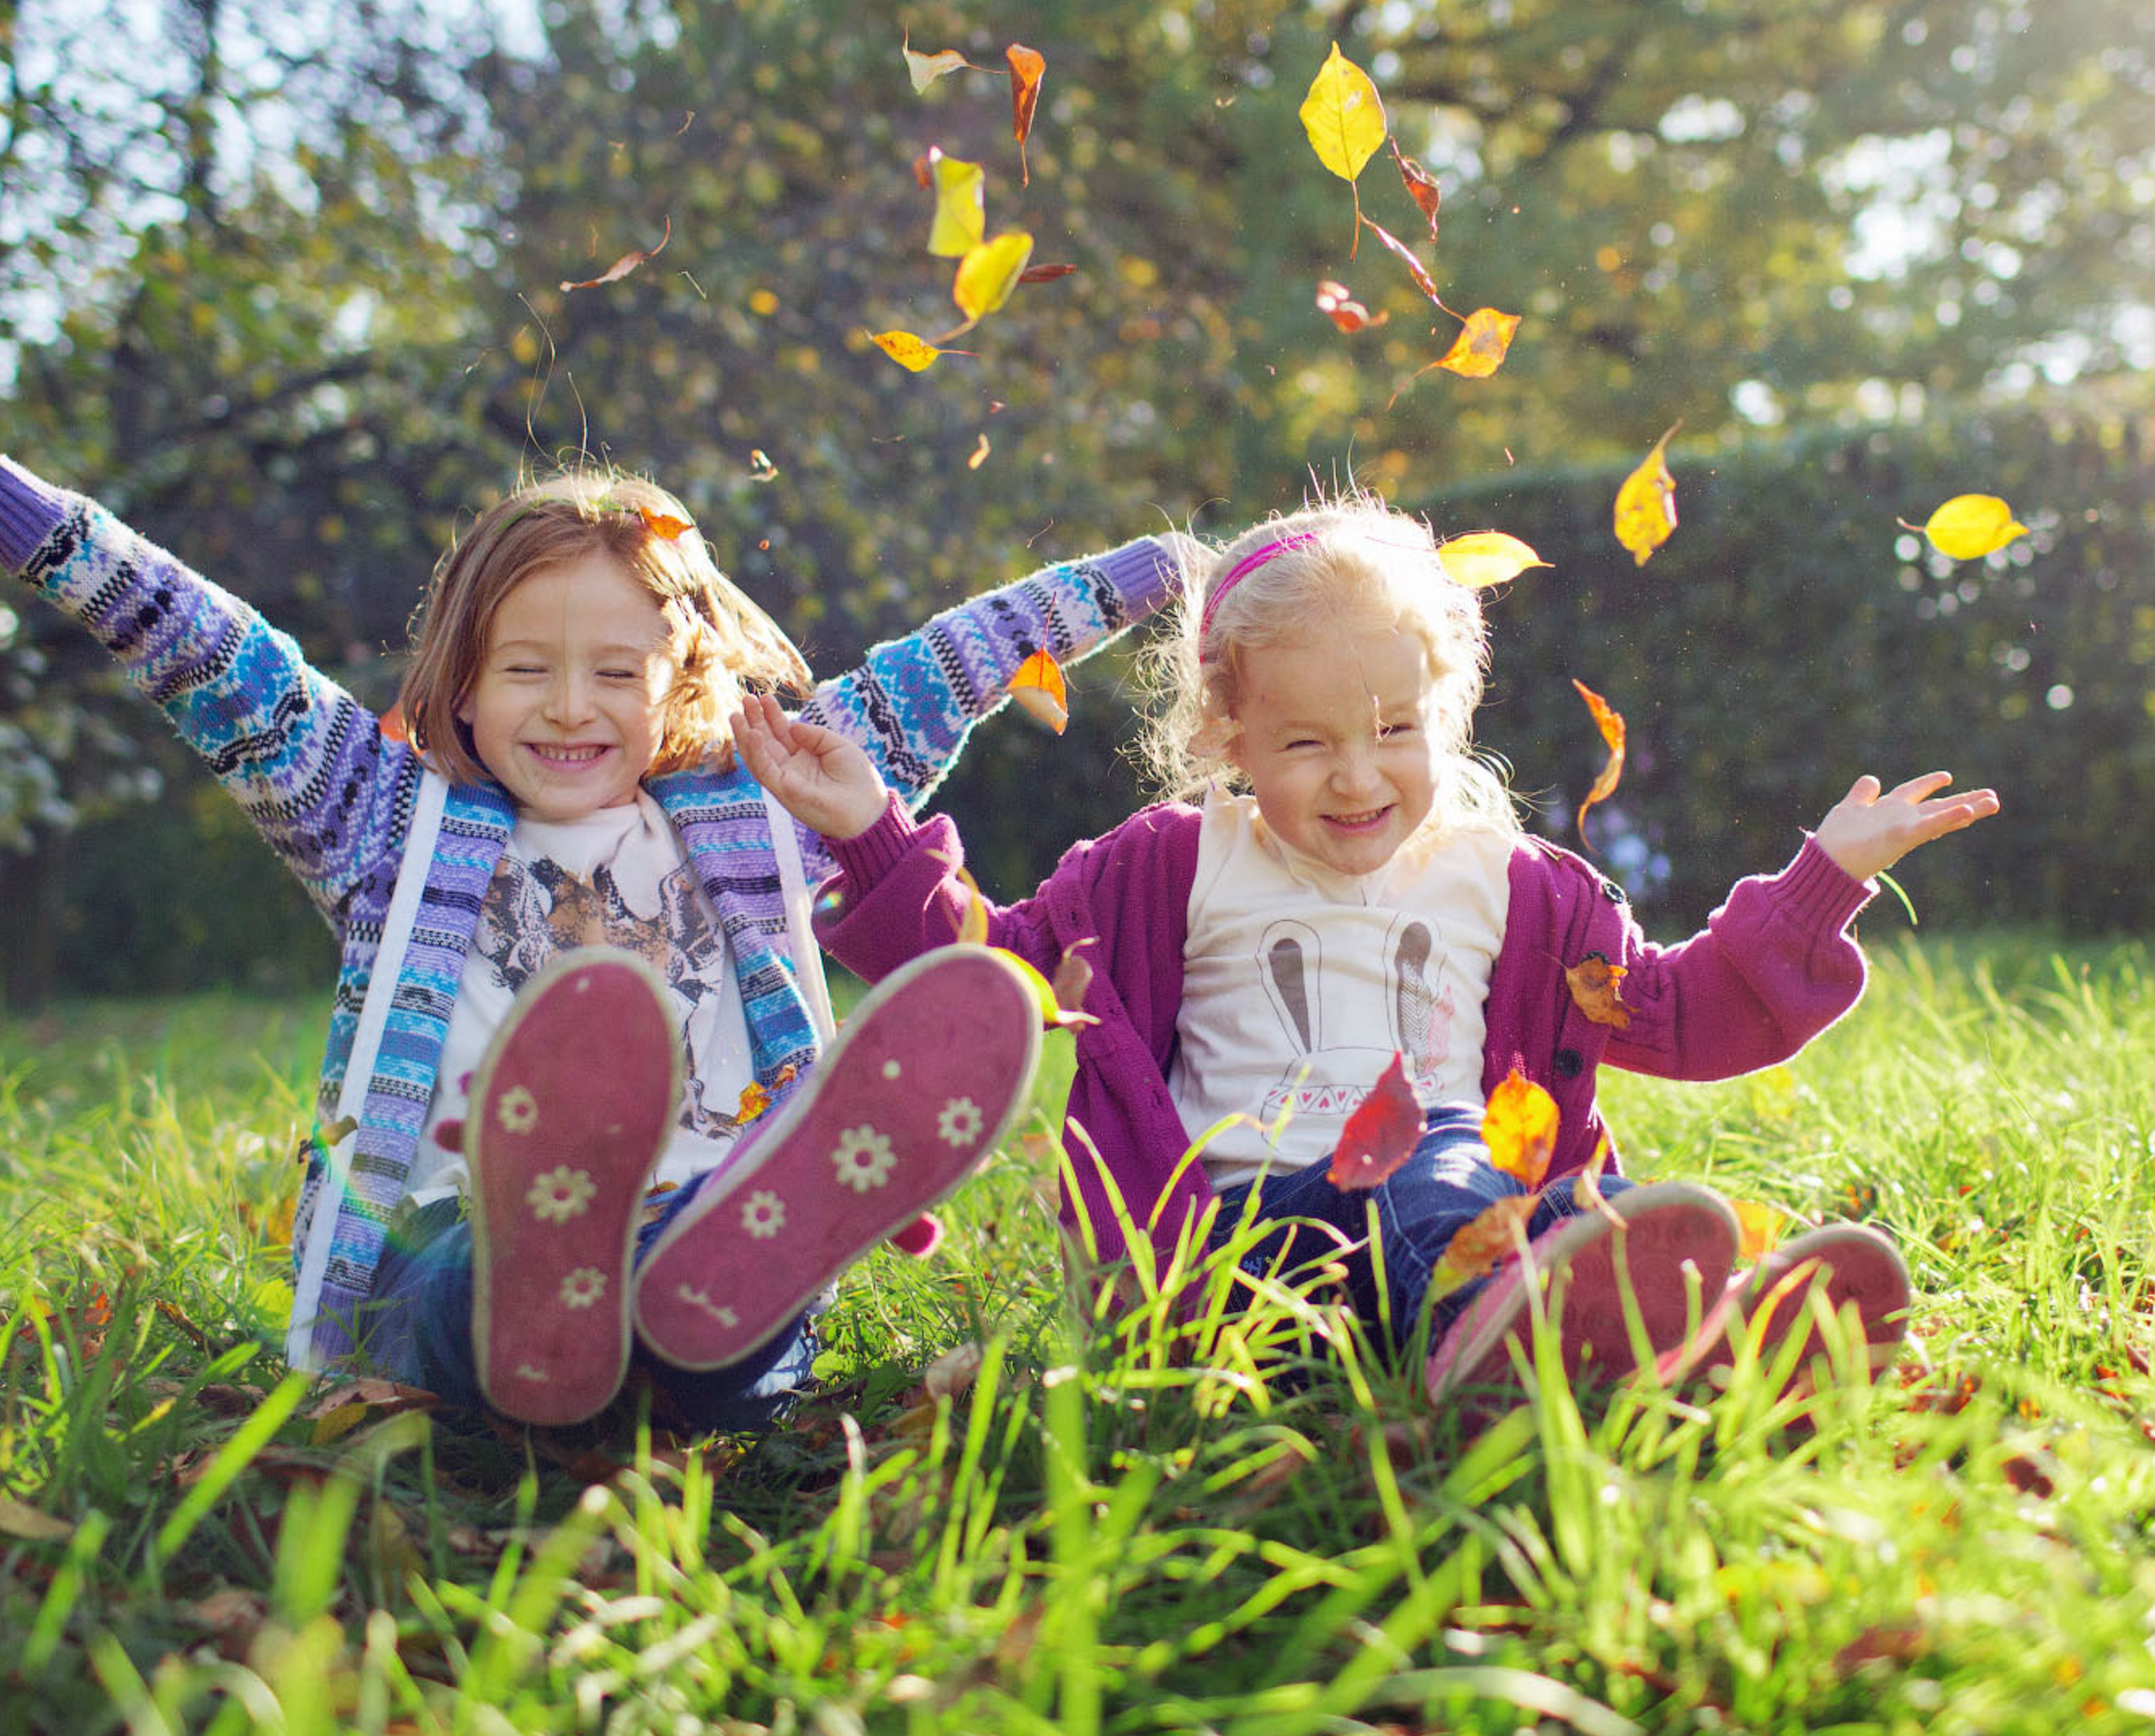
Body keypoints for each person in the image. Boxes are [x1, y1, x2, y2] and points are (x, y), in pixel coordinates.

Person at [732, 491, 2000, 1409]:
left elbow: (1677, 1013)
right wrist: (870, 833)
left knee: (1479, 1185)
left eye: (1395, 728)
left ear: (1446, 710)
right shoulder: (1166, 868)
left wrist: (1822, 880)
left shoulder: (1516, 888)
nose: (1356, 778)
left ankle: (1698, 1335)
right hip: (1228, 1247)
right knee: (1416, 1181)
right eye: (1304, 744)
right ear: (1229, 733)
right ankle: (1537, 1328)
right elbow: (990, 980)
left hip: (1447, 1199)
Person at [0, 453, 1182, 1430]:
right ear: (460, 684)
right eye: (527, 670)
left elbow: (948, 671)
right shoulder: (379, 819)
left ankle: (726, 1286)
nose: (571, 704)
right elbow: (211, 656)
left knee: (716, 1293)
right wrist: (39, 528)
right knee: (470, 1281)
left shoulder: (764, 810)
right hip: (454, 1258)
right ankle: (550, 1293)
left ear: (679, 685)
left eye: (615, 672)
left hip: (709, 1253)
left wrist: (1159, 574)